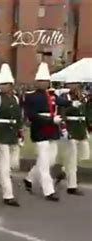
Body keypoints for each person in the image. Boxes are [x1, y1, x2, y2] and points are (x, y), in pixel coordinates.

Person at [24, 62, 78, 201]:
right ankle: (49, 191)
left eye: (46, 81)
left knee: (50, 160)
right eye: (41, 81)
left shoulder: (51, 95)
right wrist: (50, 120)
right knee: (44, 161)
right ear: (37, 82)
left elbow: (62, 102)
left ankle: (29, 178)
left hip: (52, 131)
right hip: (40, 130)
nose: (44, 84)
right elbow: (32, 116)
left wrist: (74, 103)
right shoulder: (31, 96)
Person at [0, 63, 22, 207]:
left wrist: (20, 134)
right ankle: (8, 195)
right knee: (5, 166)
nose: (4, 86)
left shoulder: (16, 99)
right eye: (2, 84)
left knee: (14, 164)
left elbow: (19, 117)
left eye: (7, 84)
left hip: (12, 134)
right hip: (1, 134)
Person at [59, 71, 90, 196]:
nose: (75, 86)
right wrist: (64, 129)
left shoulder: (82, 96)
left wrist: (87, 128)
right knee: (72, 159)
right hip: (71, 129)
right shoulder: (64, 97)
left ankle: (64, 170)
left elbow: (85, 113)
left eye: (77, 84)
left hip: (81, 129)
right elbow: (62, 114)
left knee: (85, 154)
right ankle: (72, 186)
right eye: (72, 84)